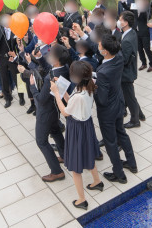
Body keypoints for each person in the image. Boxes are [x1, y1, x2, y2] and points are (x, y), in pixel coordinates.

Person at [49, 61, 103, 210]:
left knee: (75, 166)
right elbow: (70, 101)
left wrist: (56, 94)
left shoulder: (79, 95)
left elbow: (65, 111)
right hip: (86, 125)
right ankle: (97, 181)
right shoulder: (88, 86)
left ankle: (81, 199)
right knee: (89, 155)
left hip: (77, 129)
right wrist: (62, 90)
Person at [95, 34, 137, 183]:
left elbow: (101, 99)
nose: (98, 46)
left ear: (105, 51)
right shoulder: (118, 57)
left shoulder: (102, 72)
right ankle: (132, 163)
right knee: (122, 133)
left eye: (100, 45)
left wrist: (93, 88)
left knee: (110, 141)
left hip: (107, 111)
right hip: (119, 102)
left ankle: (118, 173)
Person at [26, 44, 70, 182]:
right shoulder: (64, 68)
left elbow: (41, 99)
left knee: (41, 141)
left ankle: (57, 171)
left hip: (45, 112)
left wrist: (32, 86)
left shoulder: (49, 79)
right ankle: (64, 155)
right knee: (56, 132)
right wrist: (39, 59)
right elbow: (50, 69)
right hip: (55, 110)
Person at [115, 11, 144, 128]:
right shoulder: (131, 33)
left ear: (126, 22)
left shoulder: (127, 40)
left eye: (121, 20)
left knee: (130, 97)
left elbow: (125, 60)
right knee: (129, 95)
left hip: (126, 74)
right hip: (129, 72)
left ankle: (135, 120)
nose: (119, 22)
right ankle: (140, 114)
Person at [133, 0, 152, 72]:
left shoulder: (145, 9)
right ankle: (144, 63)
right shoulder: (135, 9)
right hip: (137, 32)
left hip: (145, 32)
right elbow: (128, 10)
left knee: (147, 49)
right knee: (139, 49)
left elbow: (148, 16)